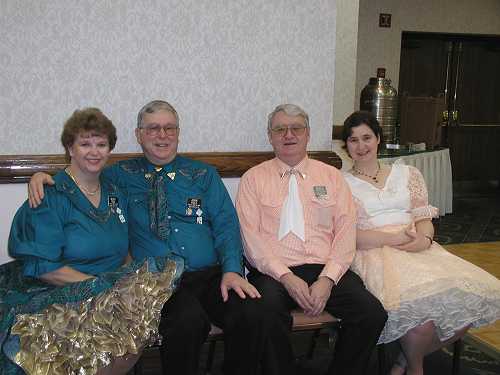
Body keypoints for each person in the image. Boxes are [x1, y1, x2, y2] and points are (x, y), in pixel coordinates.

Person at [28, 100, 271, 375]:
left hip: (211, 275)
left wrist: (232, 270)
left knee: (253, 314)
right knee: (187, 322)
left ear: (178, 133)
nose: (162, 135)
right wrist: (42, 177)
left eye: (169, 128)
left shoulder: (203, 174)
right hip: (158, 282)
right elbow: (82, 176)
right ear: (139, 134)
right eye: (153, 128)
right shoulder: (117, 176)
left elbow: (227, 226)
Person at [1, 108, 182, 375]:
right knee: (108, 326)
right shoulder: (50, 196)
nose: (94, 152)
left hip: (108, 290)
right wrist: (100, 289)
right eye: (85, 144)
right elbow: (45, 268)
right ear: (70, 148)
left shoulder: (114, 191)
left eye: (101, 144)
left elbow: (124, 252)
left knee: (144, 301)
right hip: (61, 293)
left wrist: (126, 284)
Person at [341, 110, 500, 375]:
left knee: (469, 300)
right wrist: (392, 239)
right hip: (374, 250)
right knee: (421, 323)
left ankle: (404, 361)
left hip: (417, 246)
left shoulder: (407, 173)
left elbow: (423, 216)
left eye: (367, 137)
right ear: (346, 146)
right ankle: (415, 367)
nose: (361, 146)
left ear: (379, 138)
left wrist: (425, 239)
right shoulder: (341, 183)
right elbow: (348, 235)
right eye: (353, 140)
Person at [236, 103, 388, 375]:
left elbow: (345, 231)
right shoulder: (253, 179)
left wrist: (327, 280)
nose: (288, 135)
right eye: (280, 129)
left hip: (324, 268)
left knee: (372, 314)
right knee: (263, 312)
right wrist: (286, 277)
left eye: (296, 128)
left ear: (308, 134)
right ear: (270, 136)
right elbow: (250, 239)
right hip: (274, 273)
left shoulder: (331, 177)